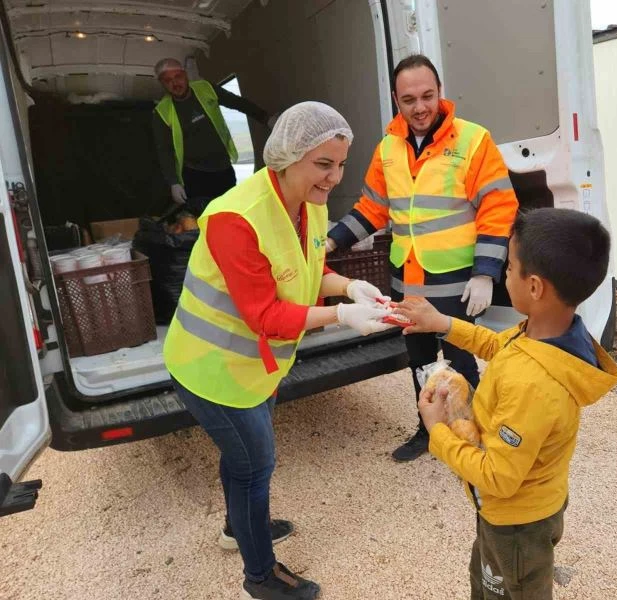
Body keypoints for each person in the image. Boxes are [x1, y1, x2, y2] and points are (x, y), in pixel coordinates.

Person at [162, 101, 393, 600]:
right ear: (286, 157)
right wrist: (340, 316)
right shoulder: (234, 218)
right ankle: (261, 577)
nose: (333, 178)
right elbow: (265, 316)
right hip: (211, 369)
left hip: (254, 366)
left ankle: (236, 528)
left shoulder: (308, 204)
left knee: (241, 458)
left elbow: (307, 273)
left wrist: (349, 288)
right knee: (254, 465)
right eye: (323, 164)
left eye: (340, 164)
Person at [395, 208, 617, 600]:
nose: (502, 274)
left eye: (509, 266)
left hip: (516, 523)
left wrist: (436, 430)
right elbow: (498, 346)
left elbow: (499, 477)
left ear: (534, 287)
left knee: (511, 587)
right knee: (485, 583)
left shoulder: (533, 384)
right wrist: (443, 324)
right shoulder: (550, 335)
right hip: (515, 511)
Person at [326, 54, 519, 462]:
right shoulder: (388, 149)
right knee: (418, 359)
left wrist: (486, 274)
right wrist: (330, 242)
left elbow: (498, 207)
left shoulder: (473, 140)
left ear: (440, 93)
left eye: (428, 96)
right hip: (407, 279)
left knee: (462, 357)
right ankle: (429, 432)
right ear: (396, 100)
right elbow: (372, 208)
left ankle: (477, 434)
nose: (420, 107)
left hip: (455, 278)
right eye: (409, 99)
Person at [152, 57, 271, 214]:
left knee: (231, 213)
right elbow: (164, 150)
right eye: (168, 80)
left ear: (185, 75)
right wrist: (174, 182)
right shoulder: (162, 111)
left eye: (178, 77)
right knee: (204, 218)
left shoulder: (206, 89)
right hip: (194, 175)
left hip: (223, 168)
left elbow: (237, 103)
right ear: (162, 83)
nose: (175, 83)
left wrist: (266, 119)